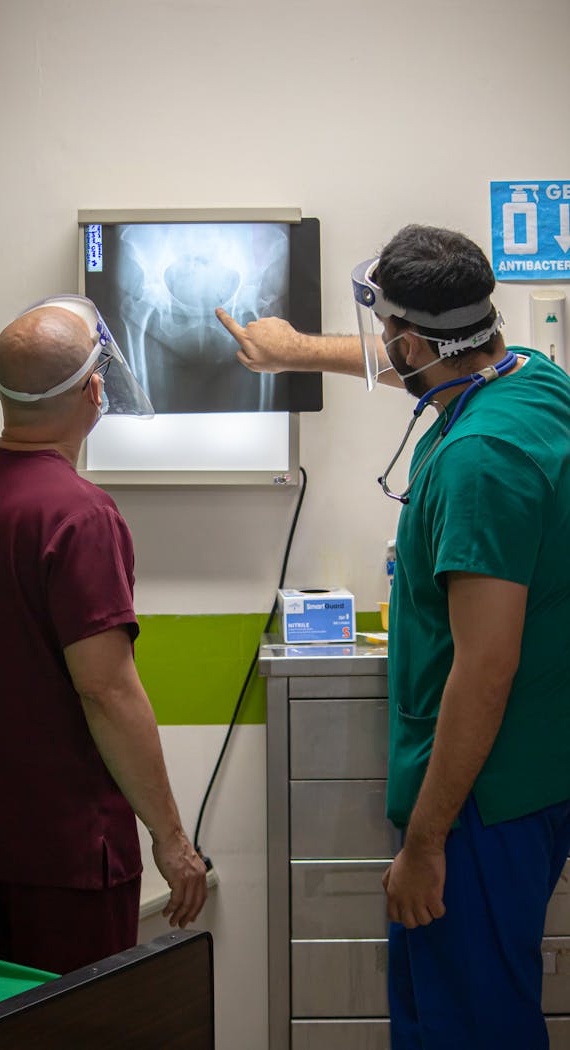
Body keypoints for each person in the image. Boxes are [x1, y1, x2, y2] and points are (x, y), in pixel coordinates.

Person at [217, 225, 570, 1049]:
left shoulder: (480, 460)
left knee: (468, 1025)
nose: (381, 349)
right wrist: (298, 350)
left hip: (481, 801)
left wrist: (425, 841)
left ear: (411, 340)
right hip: (530, 778)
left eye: (386, 338)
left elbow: (485, 669)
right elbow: (424, 359)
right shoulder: (534, 382)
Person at [0, 294, 207, 975]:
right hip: (65, 849)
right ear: (97, 389)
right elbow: (106, 692)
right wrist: (172, 839)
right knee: (75, 1028)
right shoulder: (81, 515)